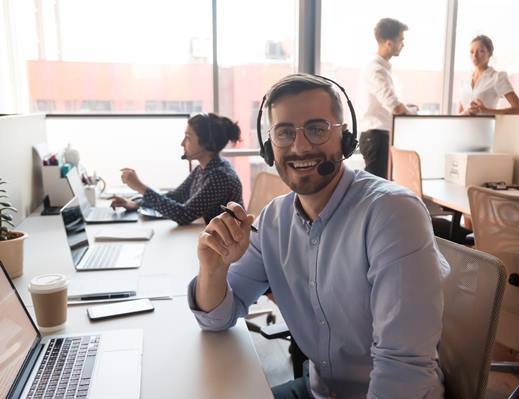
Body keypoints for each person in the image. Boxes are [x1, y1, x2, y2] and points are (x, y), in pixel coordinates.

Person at [188, 74, 449, 398]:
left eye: (317, 128)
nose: (300, 146)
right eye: (284, 133)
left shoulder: (392, 214)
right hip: (320, 391)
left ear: (346, 138)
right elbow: (217, 319)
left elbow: (403, 370)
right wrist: (213, 269)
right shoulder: (273, 221)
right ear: (270, 147)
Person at [110, 112, 243, 225]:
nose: (182, 143)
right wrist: (137, 204)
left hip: (225, 248)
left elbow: (183, 215)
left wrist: (140, 187)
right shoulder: (203, 169)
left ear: (206, 144)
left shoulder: (219, 177)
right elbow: (176, 196)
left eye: (188, 138)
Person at [358, 18, 415, 179]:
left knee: (380, 188)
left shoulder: (383, 69)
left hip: (379, 136)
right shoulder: (376, 70)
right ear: (389, 43)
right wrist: (412, 111)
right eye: (401, 40)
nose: (403, 44)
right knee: (376, 192)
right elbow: (395, 107)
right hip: (376, 138)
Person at [459, 34, 519, 115]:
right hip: (462, 127)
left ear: (490, 53)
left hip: (484, 127)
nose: (475, 55)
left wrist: (486, 110)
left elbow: (518, 109)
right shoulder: (465, 80)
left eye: (480, 51)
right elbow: (459, 113)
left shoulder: (497, 77)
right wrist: (467, 112)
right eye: (471, 52)